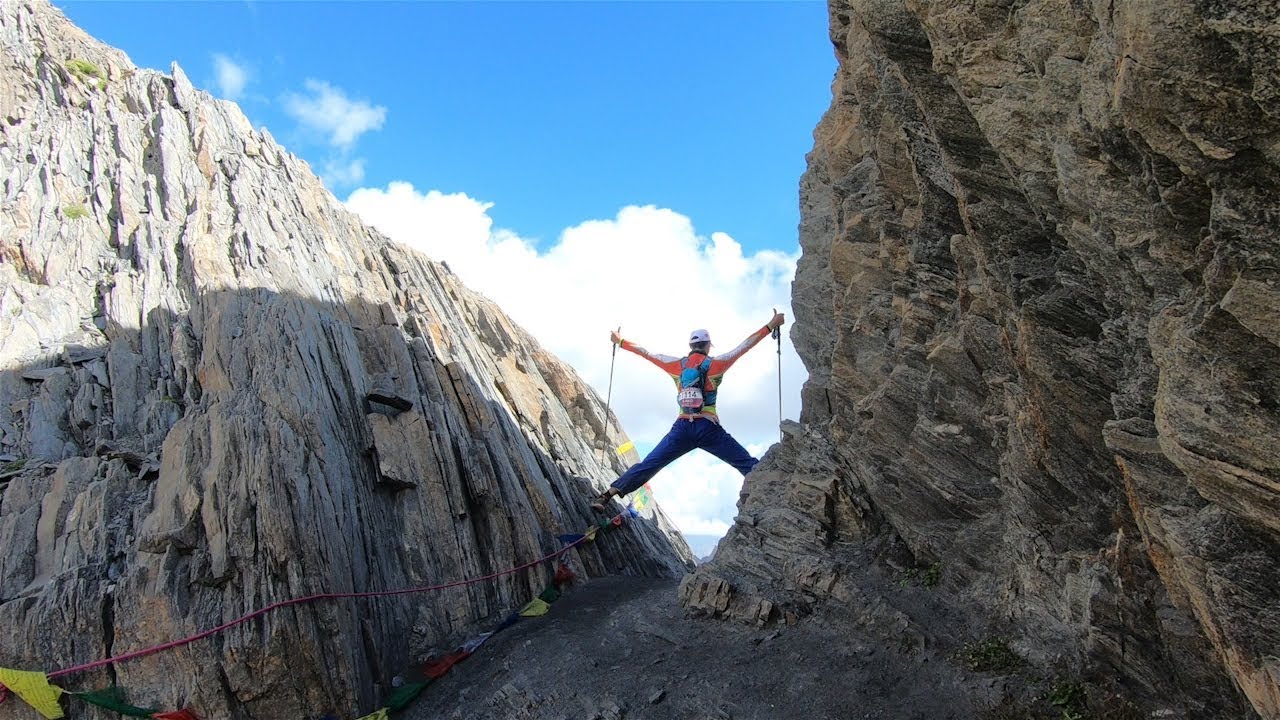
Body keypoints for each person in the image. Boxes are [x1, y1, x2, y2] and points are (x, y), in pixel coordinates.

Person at [591, 311, 786, 511]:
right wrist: (771, 324)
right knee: (745, 462)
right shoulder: (717, 364)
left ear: (690, 346)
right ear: (708, 345)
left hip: (682, 428)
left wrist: (620, 341)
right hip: (708, 428)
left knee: (649, 465)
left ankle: (606, 496)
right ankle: (781, 492)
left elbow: (646, 353)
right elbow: (745, 346)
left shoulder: (676, 366)